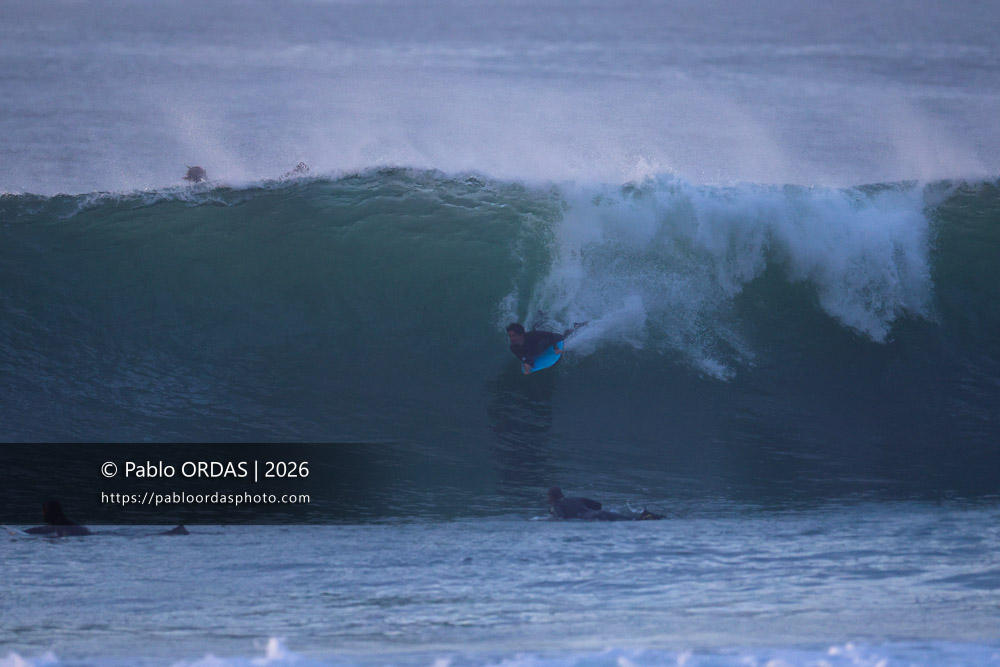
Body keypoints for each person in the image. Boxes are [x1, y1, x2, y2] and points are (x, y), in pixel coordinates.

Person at [547, 487, 664, 521]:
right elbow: (598, 505)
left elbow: (560, 518)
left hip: (591, 518)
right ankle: (650, 516)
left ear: (551, 498)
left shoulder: (556, 506)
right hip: (599, 513)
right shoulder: (577, 499)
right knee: (633, 520)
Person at [24, 500, 91, 537]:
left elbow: (64, 537)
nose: (43, 514)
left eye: (44, 511)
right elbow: (43, 529)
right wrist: (24, 532)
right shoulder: (60, 522)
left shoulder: (60, 525)